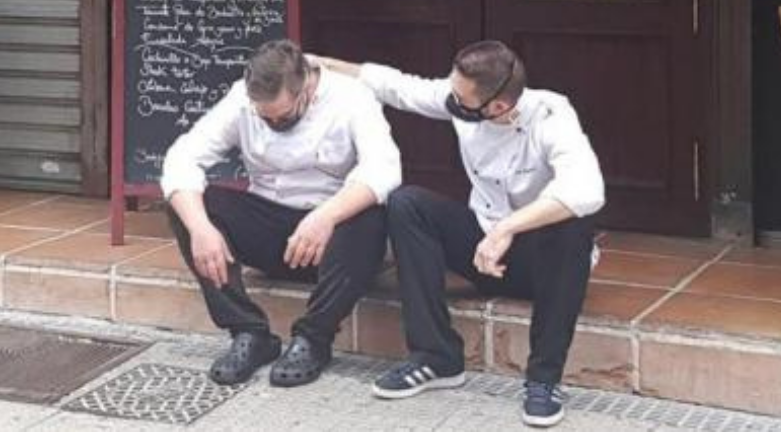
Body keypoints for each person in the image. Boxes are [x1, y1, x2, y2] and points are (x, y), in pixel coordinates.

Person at [317, 41, 604, 427]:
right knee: (406, 203)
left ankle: (543, 381)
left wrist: (508, 227)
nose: (450, 100)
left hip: (543, 265)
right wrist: (320, 63)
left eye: (459, 97)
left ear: (498, 107)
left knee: (573, 223)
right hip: (483, 250)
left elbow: (587, 189)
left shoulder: (551, 114)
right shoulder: (464, 102)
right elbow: (397, 86)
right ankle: (435, 357)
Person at [162, 39, 401, 388]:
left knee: (371, 215)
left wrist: (326, 217)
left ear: (306, 87)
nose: (274, 122)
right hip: (273, 232)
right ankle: (248, 332)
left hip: (333, 244)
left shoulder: (352, 97)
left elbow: (385, 169)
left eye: (284, 115)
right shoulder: (240, 99)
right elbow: (182, 158)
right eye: (265, 117)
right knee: (189, 204)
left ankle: (314, 339)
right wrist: (200, 228)